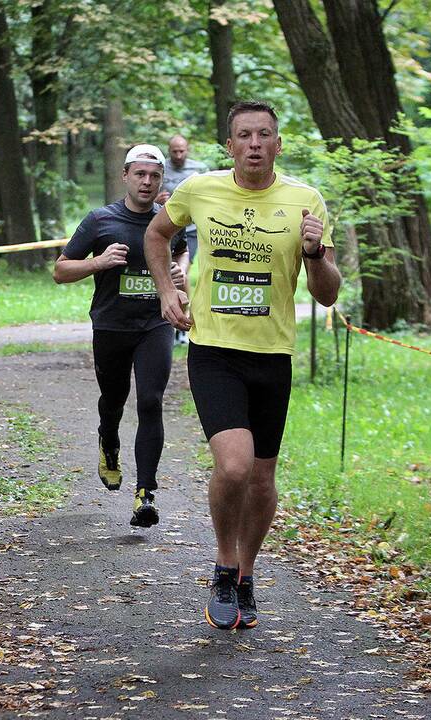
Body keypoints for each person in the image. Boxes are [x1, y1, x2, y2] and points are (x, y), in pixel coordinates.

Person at [143, 101, 341, 629]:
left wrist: (317, 253)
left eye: (264, 135)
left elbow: (327, 295)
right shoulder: (199, 191)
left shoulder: (305, 200)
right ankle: (224, 568)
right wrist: (167, 291)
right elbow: (157, 234)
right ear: (229, 146)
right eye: (244, 136)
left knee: (261, 478)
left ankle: (248, 574)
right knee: (233, 465)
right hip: (215, 351)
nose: (254, 144)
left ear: (279, 144)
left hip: (272, 355)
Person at [54, 144, 187, 528]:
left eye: (155, 176)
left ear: (162, 180)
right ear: (125, 176)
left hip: (154, 325)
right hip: (112, 325)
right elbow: (60, 270)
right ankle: (108, 439)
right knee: (114, 399)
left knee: (151, 400)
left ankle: (145, 493)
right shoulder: (100, 220)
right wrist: (98, 261)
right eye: (140, 174)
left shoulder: (168, 220)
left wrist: (178, 281)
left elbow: (178, 255)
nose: (147, 182)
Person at [155, 135, 208, 345]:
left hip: (191, 230)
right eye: (174, 151)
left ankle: (182, 326)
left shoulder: (199, 169)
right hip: (166, 228)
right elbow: (146, 194)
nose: (178, 155)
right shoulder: (161, 169)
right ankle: (170, 322)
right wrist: (157, 200)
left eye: (182, 151)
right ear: (169, 150)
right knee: (169, 274)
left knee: (181, 274)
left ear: (188, 149)